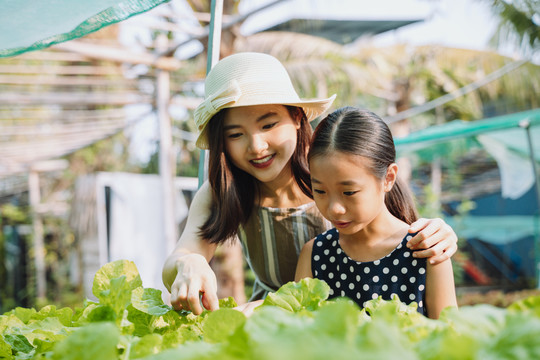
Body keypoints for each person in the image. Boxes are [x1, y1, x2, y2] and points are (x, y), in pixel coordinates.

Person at [162, 52, 459, 316]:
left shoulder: (331, 168)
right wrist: (189, 264)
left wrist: (439, 233)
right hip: (274, 320)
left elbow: (394, 226)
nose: (256, 146)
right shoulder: (224, 190)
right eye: (235, 134)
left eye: (268, 125)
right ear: (221, 141)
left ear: (296, 117)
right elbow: (179, 257)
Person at [295, 106, 457, 319]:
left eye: (349, 192)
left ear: (388, 178)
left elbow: (450, 340)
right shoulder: (315, 255)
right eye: (320, 191)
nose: (334, 208)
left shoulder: (427, 250)